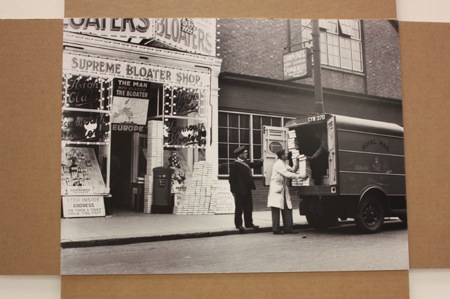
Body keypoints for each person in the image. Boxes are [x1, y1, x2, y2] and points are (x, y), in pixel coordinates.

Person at [267, 149, 308, 234]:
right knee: (276, 209)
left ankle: (288, 228)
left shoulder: (284, 164)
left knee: (287, 208)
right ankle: (276, 229)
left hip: (283, 188)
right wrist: (301, 176)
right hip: (277, 188)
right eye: (285, 154)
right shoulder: (278, 164)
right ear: (282, 156)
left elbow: (293, 170)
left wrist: (297, 161)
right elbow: (287, 174)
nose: (287, 155)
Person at [228, 146, 263, 233]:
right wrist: (233, 191)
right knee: (239, 208)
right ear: (240, 155)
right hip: (239, 191)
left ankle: (249, 223)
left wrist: (262, 161)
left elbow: (255, 165)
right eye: (244, 153)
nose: (246, 154)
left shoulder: (246, 162)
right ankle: (239, 224)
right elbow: (231, 179)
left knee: (248, 207)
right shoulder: (234, 165)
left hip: (247, 189)